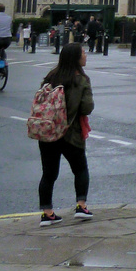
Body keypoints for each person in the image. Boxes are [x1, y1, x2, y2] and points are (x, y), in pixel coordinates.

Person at [37, 42, 94, 226]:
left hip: (48, 131)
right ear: (76, 58)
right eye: (83, 53)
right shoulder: (81, 80)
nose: (86, 55)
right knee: (80, 169)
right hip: (71, 132)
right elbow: (87, 107)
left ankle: (47, 213)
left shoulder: (50, 76)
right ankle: (81, 206)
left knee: (48, 174)